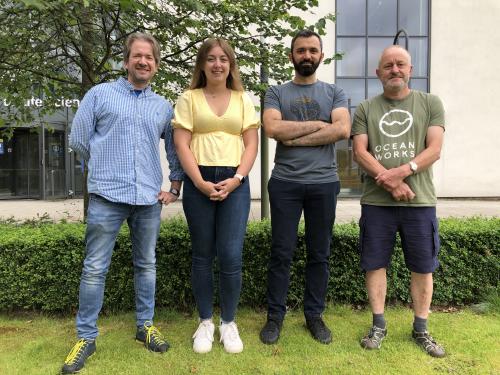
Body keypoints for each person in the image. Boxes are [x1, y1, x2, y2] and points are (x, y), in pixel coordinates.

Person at [62, 32, 184, 374]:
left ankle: (145, 326)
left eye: (150, 58)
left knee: (146, 265)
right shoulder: (99, 95)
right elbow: (78, 140)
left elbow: (174, 150)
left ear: (156, 65)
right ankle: (86, 337)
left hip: (147, 198)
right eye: (138, 56)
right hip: (106, 197)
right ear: (126, 60)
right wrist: (103, 168)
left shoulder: (162, 107)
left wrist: (174, 186)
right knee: (94, 269)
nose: (143, 61)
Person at [351, 45, 446, 357]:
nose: (394, 69)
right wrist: (391, 183)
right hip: (377, 203)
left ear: (410, 70)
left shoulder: (430, 103)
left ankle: (421, 328)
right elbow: (360, 152)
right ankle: (378, 325)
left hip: (419, 202)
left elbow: (434, 149)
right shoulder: (365, 108)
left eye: (400, 64)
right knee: (375, 263)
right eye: (388, 65)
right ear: (378, 73)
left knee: (422, 266)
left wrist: (404, 172)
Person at [259, 30, 351, 345]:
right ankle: (275, 317)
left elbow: (342, 130)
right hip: (285, 182)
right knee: (281, 252)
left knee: (319, 254)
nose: (307, 55)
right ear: (292, 56)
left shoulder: (335, 93)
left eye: (312, 50)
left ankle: (314, 316)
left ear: (321, 55)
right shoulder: (275, 92)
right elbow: (272, 128)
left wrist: (293, 134)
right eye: (301, 50)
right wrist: (318, 126)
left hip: (324, 183)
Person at [172, 38, 259, 354]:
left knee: (231, 254)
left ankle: (229, 324)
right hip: (199, 182)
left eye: (224, 58)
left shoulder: (242, 100)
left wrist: (237, 178)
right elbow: (182, 144)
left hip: (235, 182)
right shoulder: (188, 99)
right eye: (211, 58)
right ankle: (206, 322)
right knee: (202, 255)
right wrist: (198, 181)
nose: (218, 64)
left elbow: (251, 144)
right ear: (202, 64)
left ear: (231, 65)